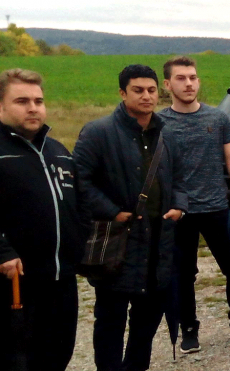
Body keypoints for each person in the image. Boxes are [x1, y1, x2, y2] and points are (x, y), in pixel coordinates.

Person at [73, 64, 188, 370]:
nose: (147, 96)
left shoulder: (168, 134)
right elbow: (80, 182)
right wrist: (112, 212)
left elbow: (180, 178)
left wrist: (179, 204)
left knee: (147, 322)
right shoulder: (98, 133)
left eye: (151, 90)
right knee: (110, 321)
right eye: (138, 90)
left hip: (158, 243)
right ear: (122, 93)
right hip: (118, 243)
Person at [0, 69, 89, 371]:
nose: (33, 108)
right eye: (22, 101)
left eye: (38, 100)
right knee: (10, 359)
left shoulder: (58, 151)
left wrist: (79, 244)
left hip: (60, 280)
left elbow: (76, 204)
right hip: (9, 283)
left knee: (56, 355)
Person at [157, 56, 230, 352]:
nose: (189, 83)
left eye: (193, 77)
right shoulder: (158, 123)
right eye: (181, 78)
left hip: (217, 207)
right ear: (167, 85)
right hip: (179, 212)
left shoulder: (217, 118)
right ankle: (188, 329)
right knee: (183, 275)